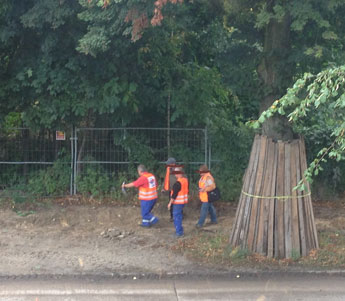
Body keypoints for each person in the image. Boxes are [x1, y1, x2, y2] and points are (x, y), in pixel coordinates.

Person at [167, 167, 188, 237]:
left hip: (177, 203)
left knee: (176, 217)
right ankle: (180, 231)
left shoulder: (178, 183)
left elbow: (174, 195)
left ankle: (179, 233)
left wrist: (170, 203)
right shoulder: (185, 180)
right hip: (182, 202)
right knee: (179, 216)